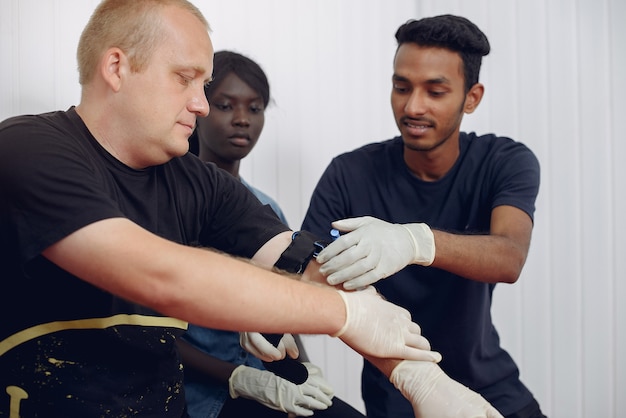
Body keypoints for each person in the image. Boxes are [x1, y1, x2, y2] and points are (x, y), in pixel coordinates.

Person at [0, 1, 440, 416]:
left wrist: (421, 378)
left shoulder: (198, 182)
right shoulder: (27, 148)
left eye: (203, 84)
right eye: (183, 78)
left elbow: (306, 263)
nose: (202, 104)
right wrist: (345, 316)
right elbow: (157, 275)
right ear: (117, 67)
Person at [302, 14, 546, 418]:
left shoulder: (504, 161)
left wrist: (415, 242)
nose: (413, 106)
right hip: (399, 390)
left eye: (435, 91)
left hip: (490, 387)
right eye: (401, 87)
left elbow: (509, 256)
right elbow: (305, 268)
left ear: (472, 97)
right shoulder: (349, 173)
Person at [180, 50, 364, 418]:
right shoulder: (170, 204)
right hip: (203, 395)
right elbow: (151, 335)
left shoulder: (267, 211)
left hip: (269, 385)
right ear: (200, 107)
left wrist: (305, 374)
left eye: (255, 108)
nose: (242, 120)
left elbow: (286, 313)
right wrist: (241, 377)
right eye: (226, 106)